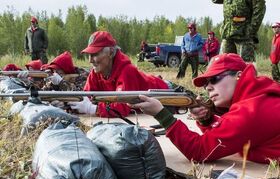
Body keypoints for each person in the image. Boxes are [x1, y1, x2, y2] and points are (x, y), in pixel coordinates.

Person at [130, 53, 280, 164]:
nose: (208, 87)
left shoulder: (248, 112)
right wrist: (207, 119)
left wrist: (162, 115)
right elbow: (228, 136)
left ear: (239, 76)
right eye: (206, 83)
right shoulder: (258, 97)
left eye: (214, 79)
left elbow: (199, 151)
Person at [68, 31, 169, 118]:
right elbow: (86, 96)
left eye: (95, 54)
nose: (90, 60)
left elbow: (122, 107)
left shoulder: (127, 71)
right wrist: (66, 104)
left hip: (165, 90)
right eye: (89, 55)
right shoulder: (96, 72)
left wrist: (93, 109)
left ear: (111, 52)